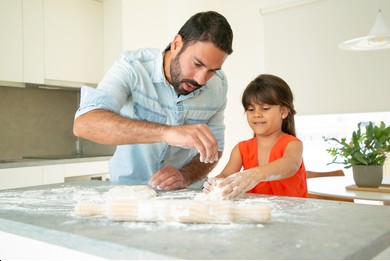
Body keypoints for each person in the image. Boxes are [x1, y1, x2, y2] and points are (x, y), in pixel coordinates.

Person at [73, 11, 233, 190]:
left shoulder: (218, 85)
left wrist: (185, 176)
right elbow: (85, 123)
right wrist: (168, 133)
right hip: (128, 194)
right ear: (176, 44)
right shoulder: (132, 68)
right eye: (197, 64)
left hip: (185, 197)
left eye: (212, 70)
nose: (202, 80)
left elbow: (215, 149)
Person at [203, 74, 308, 199]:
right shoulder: (242, 149)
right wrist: (216, 183)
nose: (256, 114)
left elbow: (291, 164)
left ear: (284, 112)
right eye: (251, 109)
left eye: (265, 108)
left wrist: (256, 174)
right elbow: (226, 175)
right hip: (256, 216)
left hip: (292, 216)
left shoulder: (292, 145)